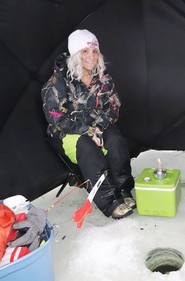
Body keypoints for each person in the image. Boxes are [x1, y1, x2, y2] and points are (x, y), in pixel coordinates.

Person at [41, 29, 136, 219]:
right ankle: (110, 202)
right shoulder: (56, 83)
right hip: (65, 133)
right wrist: (89, 130)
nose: (91, 56)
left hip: (95, 125)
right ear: (75, 54)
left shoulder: (102, 77)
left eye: (94, 51)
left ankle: (123, 190)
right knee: (88, 148)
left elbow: (114, 105)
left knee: (116, 141)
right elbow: (57, 118)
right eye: (85, 51)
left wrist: (99, 127)